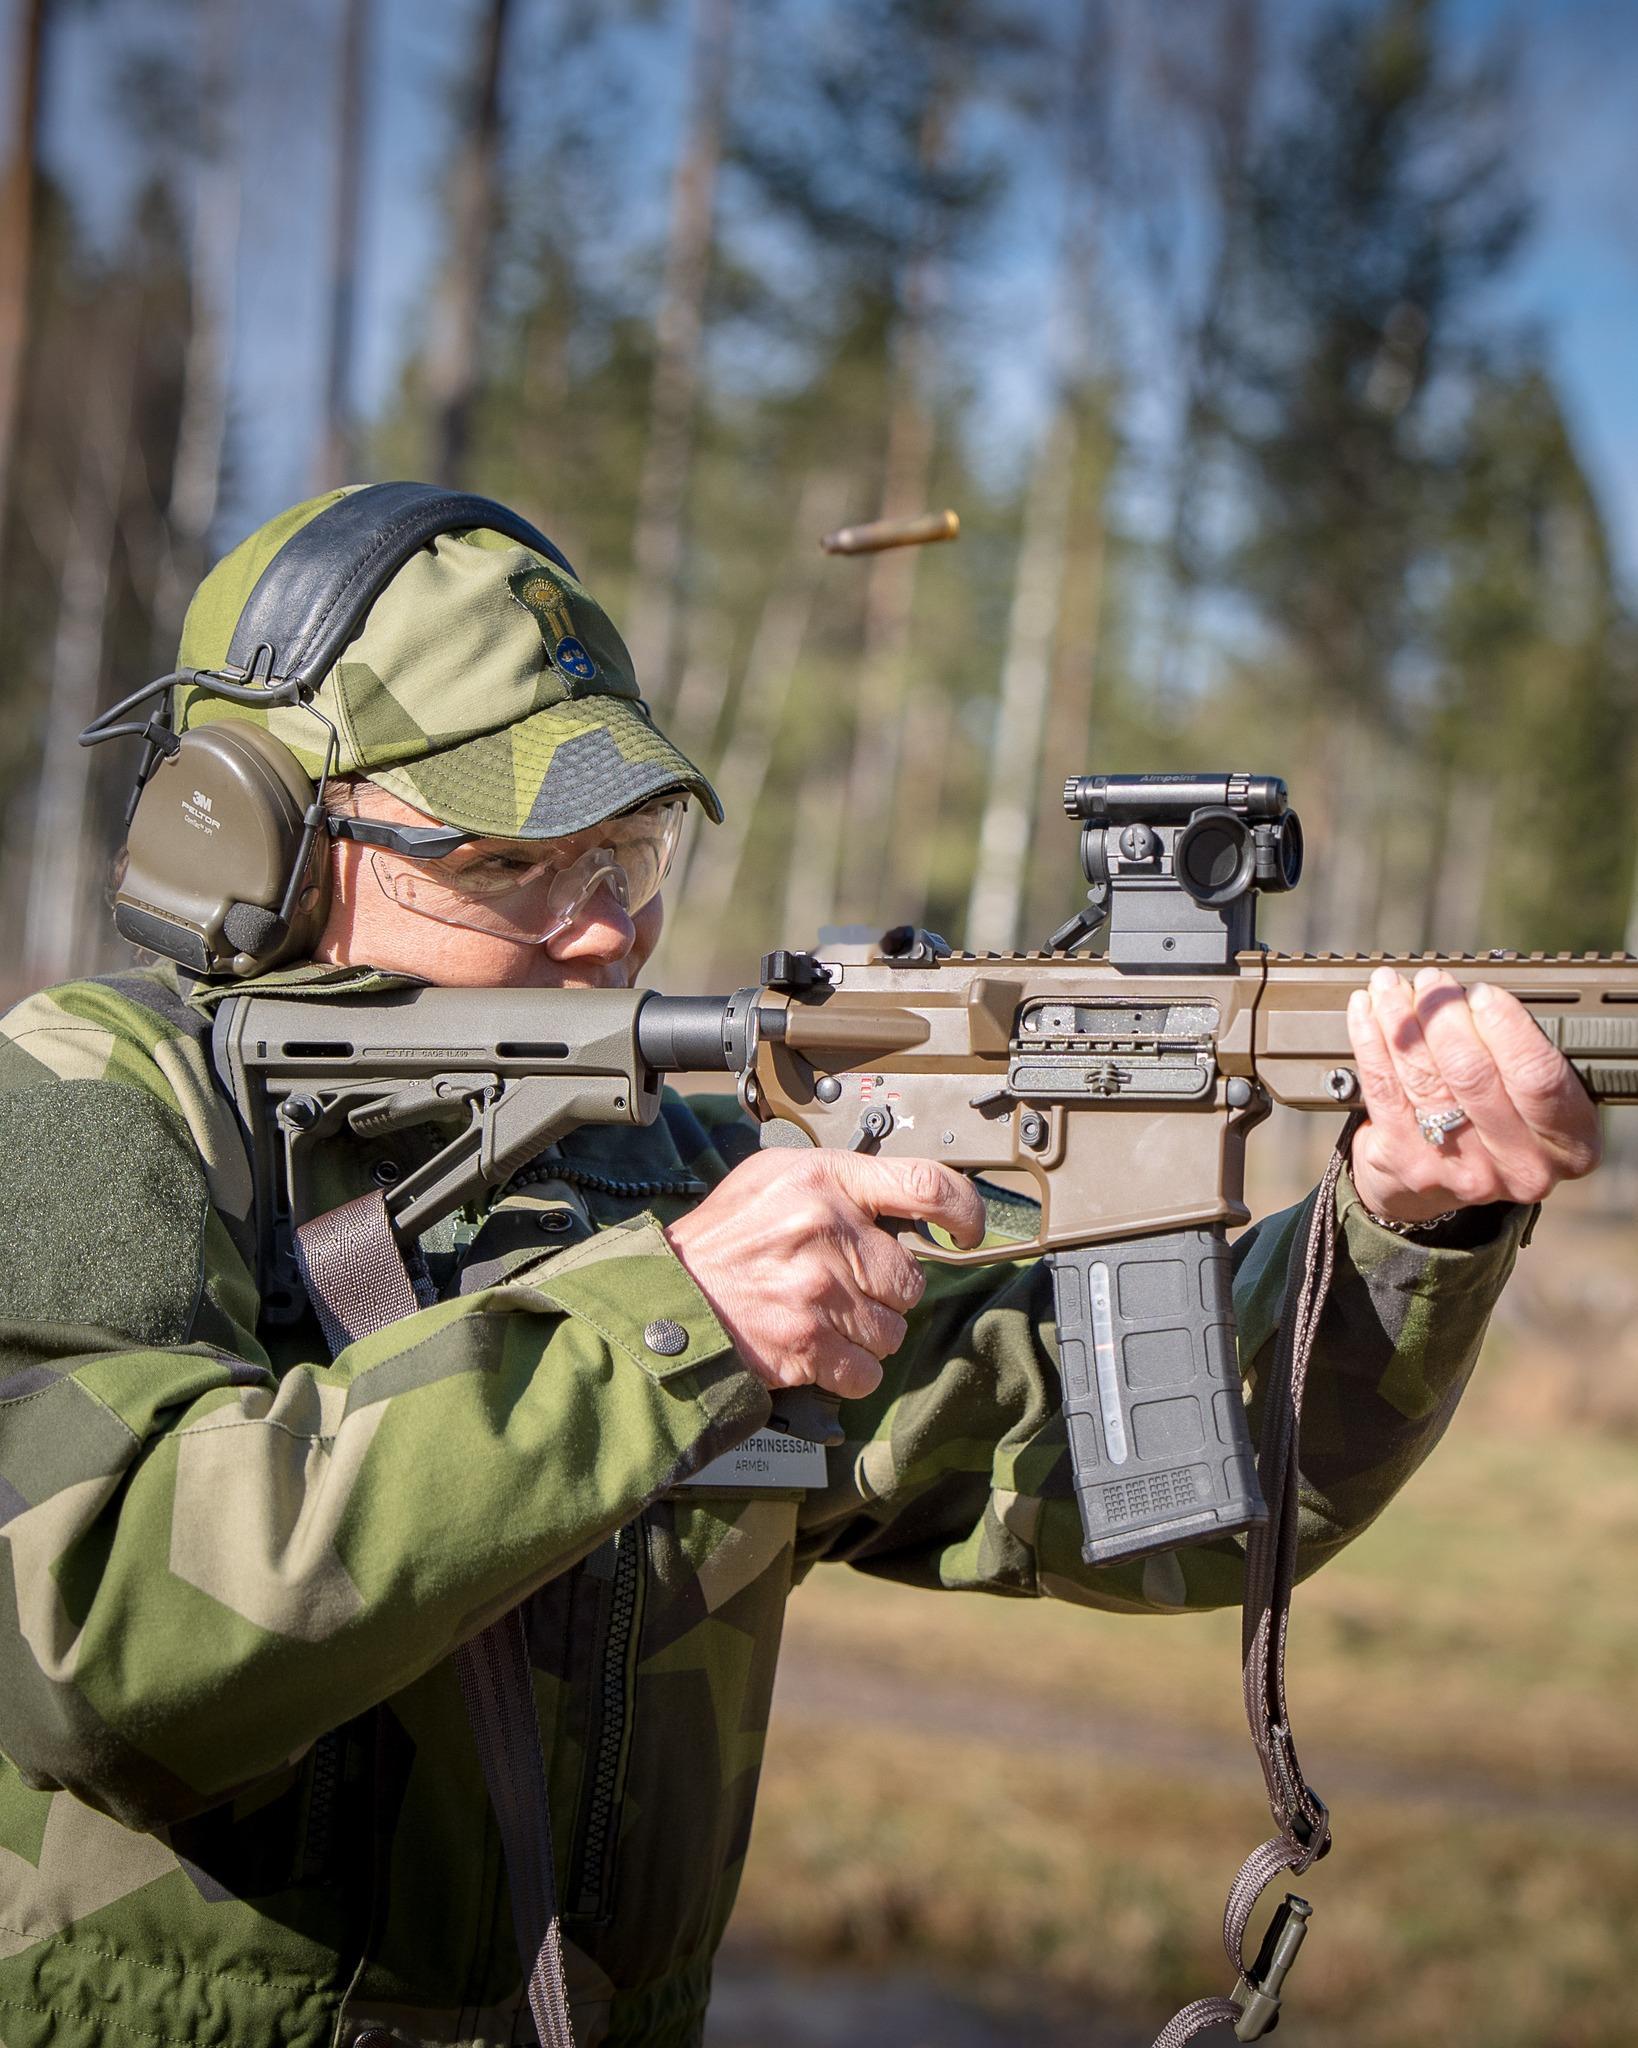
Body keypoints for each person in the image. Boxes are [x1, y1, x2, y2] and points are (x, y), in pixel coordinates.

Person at [0, 487, 1600, 2048]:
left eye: (630, 853)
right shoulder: (99, 1104)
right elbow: (93, 1646)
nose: (601, 929)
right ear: (250, 839)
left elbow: (1161, 1491)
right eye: (510, 864)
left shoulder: (681, 1172)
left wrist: (1403, 1222)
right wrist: (667, 1327)